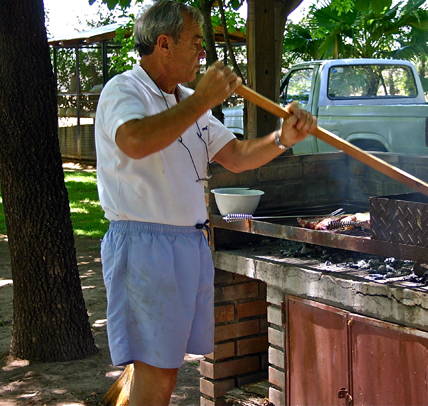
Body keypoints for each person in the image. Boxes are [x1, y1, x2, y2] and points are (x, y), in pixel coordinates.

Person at [94, 1, 317, 405]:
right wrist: (201, 99)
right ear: (164, 44)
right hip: (145, 247)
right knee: (156, 373)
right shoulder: (124, 89)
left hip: (189, 243)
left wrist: (284, 138)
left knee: (166, 367)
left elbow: (235, 156)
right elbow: (135, 141)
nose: (203, 54)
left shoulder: (185, 98)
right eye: (196, 43)